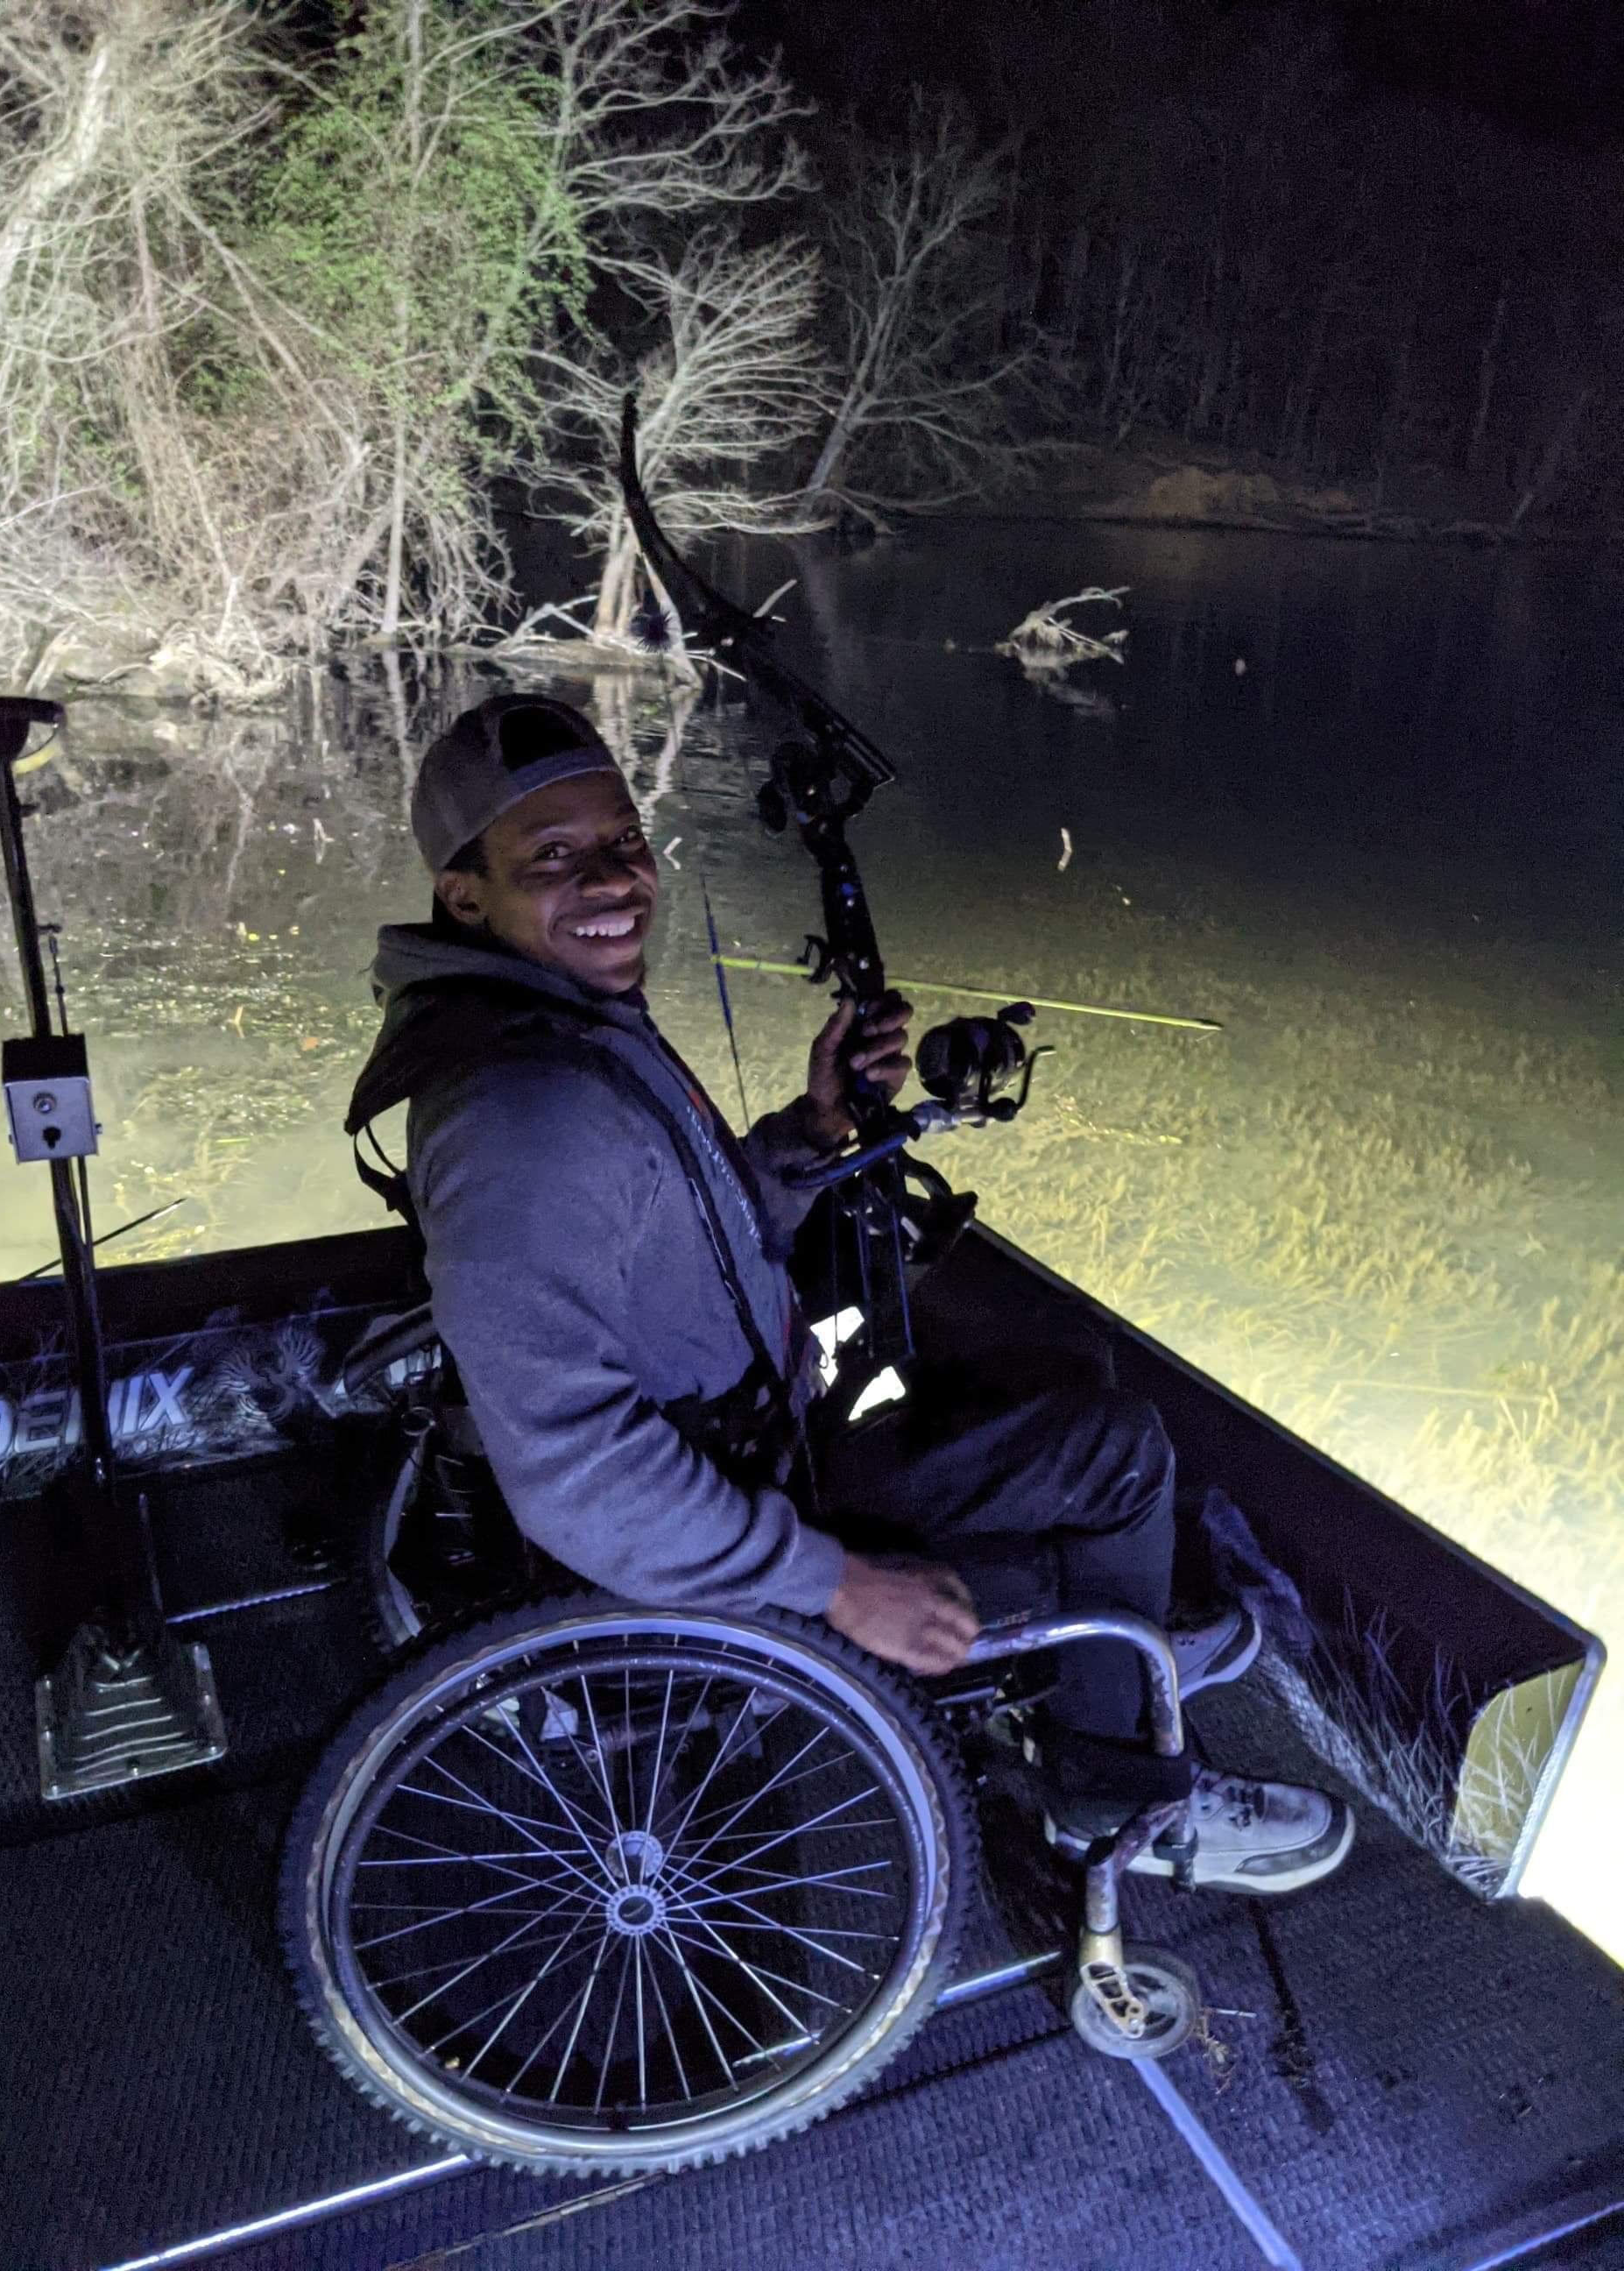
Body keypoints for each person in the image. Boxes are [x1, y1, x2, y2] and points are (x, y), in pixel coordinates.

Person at [349, 692, 1354, 1897]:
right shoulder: (522, 1115)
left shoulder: (554, 1019)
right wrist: (840, 1585)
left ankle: (1113, 1655)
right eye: (552, 857)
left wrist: (813, 1128)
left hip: (755, 1449)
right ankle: (1113, 1800)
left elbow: (690, 1240)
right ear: (466, 896)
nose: (612, 880)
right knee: (1120, 1453)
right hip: (723, 1529)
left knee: (1056, 1366)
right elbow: (575, 1475)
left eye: (622, 840)